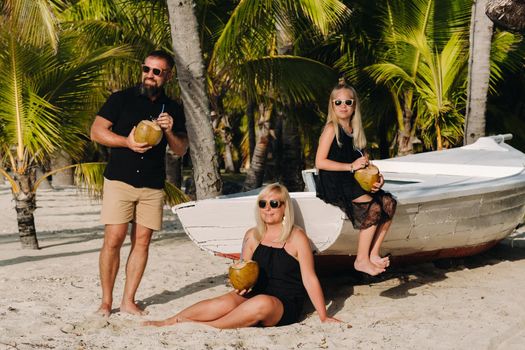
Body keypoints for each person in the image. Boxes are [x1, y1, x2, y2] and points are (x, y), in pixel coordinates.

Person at [144, 183, 341, 328]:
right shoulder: (252, 235)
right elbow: (243, 270)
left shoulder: (297, 237)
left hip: (284, 302)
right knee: (224, 302)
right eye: (263, 204)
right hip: (256, 292)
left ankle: (207, 326)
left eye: (274, 203)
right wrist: (238, 286)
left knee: (262, 303)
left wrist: (323, 316)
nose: (268, 208)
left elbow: (309, 278)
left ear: (284, 208)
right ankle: (171, 321)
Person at [90, 50, 188, 316]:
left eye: (157, 72)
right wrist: (127, 142)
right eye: (147, 69)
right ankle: (106, 302)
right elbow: (97, 131)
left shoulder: (173, 109)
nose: (150, 76)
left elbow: (181, 149)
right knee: (113, 239)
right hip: (119, 179)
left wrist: (169, 130)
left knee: (142, 242)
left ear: (167, 76)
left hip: (152, 184)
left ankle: (128, 301)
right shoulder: (121, 99)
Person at [315, 82, 397, 276]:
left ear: (354, 106)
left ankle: (374, 254)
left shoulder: (356, 132)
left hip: (350, 181)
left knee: (388, 202)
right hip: (333, 181)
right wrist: (350, 167)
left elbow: (366, 165)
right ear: (332, 105)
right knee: (373, 207)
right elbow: (320, 162)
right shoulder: (331, 129)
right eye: (338, 102)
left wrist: (379, 179)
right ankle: (361, 260)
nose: (343, 106)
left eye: (348, 102)